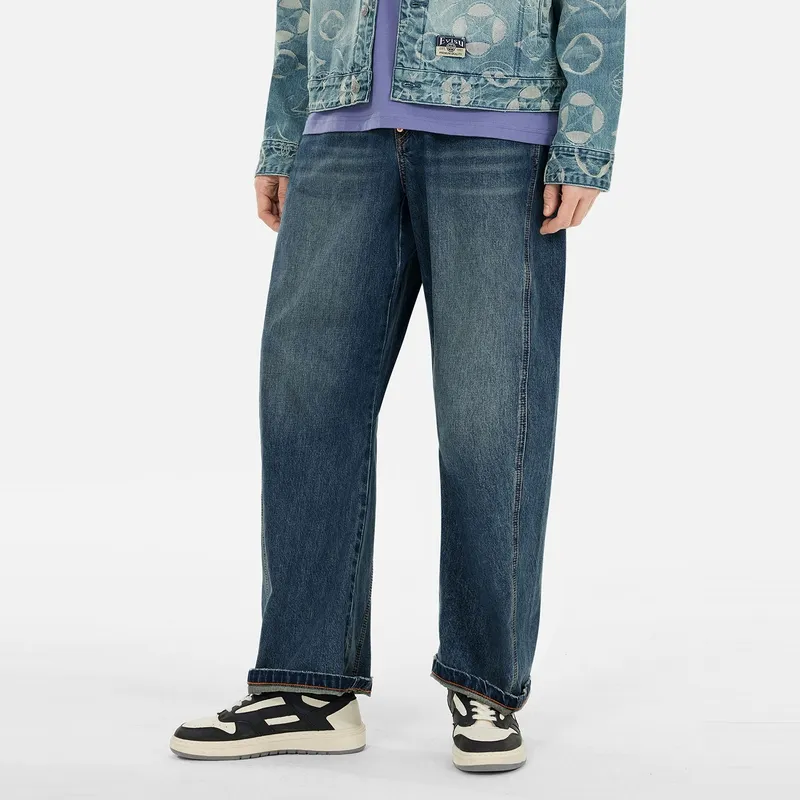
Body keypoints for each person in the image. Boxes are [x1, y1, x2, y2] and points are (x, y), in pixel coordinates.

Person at [170, 0, 625, 773]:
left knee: (490, 415)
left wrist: (584, 141)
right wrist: (283, 134)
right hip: (338, 126)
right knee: (304, 403)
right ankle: (306, 686)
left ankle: (485, 682)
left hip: (498, 123)